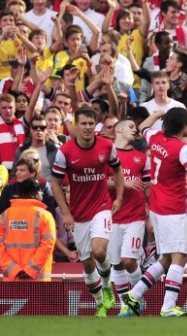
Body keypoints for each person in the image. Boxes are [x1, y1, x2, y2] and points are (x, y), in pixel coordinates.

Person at [122, 107, 187, 317]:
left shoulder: (155, 137)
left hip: (157, 208)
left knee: (166, 259)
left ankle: (134, 294)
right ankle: (168, 307)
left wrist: (158, 113)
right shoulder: (181, 149)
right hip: (172, 210)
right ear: (184, 126)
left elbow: (143, 126)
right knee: (180, 256)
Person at [51, 106, 125, 317]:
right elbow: (56, 184)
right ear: (76, 125)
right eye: (82, 123)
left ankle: (107, 285)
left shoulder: (107, 146)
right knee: (87, 263)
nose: (86, 128)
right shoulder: (65, 152)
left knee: (99, 251)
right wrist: (65, 212)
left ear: (95, 125)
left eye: (90, 124)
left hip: (101, 206)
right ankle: (101, 302)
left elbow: (117, 171)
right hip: (78, 212)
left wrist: (118, 197)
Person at [109, 119, 150, 317]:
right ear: (118, 129)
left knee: (128, 260)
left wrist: (151, 214)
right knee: (116, 263)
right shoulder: (106, 154)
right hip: (112, 216)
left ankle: (136, 297)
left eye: (136, 127)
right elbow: (100, 182)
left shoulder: (141, 158)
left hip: (135, 216)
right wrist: (123, 183)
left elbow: (149, 188)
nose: (135, 130)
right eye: (131, 126)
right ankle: (127, 305)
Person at [0, 178, 56, 281]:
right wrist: (30, 270)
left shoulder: (4, 216)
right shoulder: (45, 216)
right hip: (38, 281)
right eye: (40, 191)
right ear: (33, 194)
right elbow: (48, 245)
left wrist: (14, 270)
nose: (42, 194)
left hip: (12, 279)